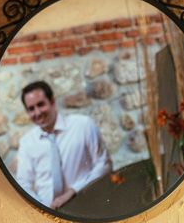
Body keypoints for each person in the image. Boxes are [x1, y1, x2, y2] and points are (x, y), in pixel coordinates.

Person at [15, 81, 112, 209]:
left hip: (87, 202)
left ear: (52, 101)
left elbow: (104, 165)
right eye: (31, 109)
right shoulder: (27, 142)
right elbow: (23, 184)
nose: (37, 112)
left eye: (41, 104)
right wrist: (43, 208)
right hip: (48, 212)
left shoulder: (82, 125)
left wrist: (74, 191)